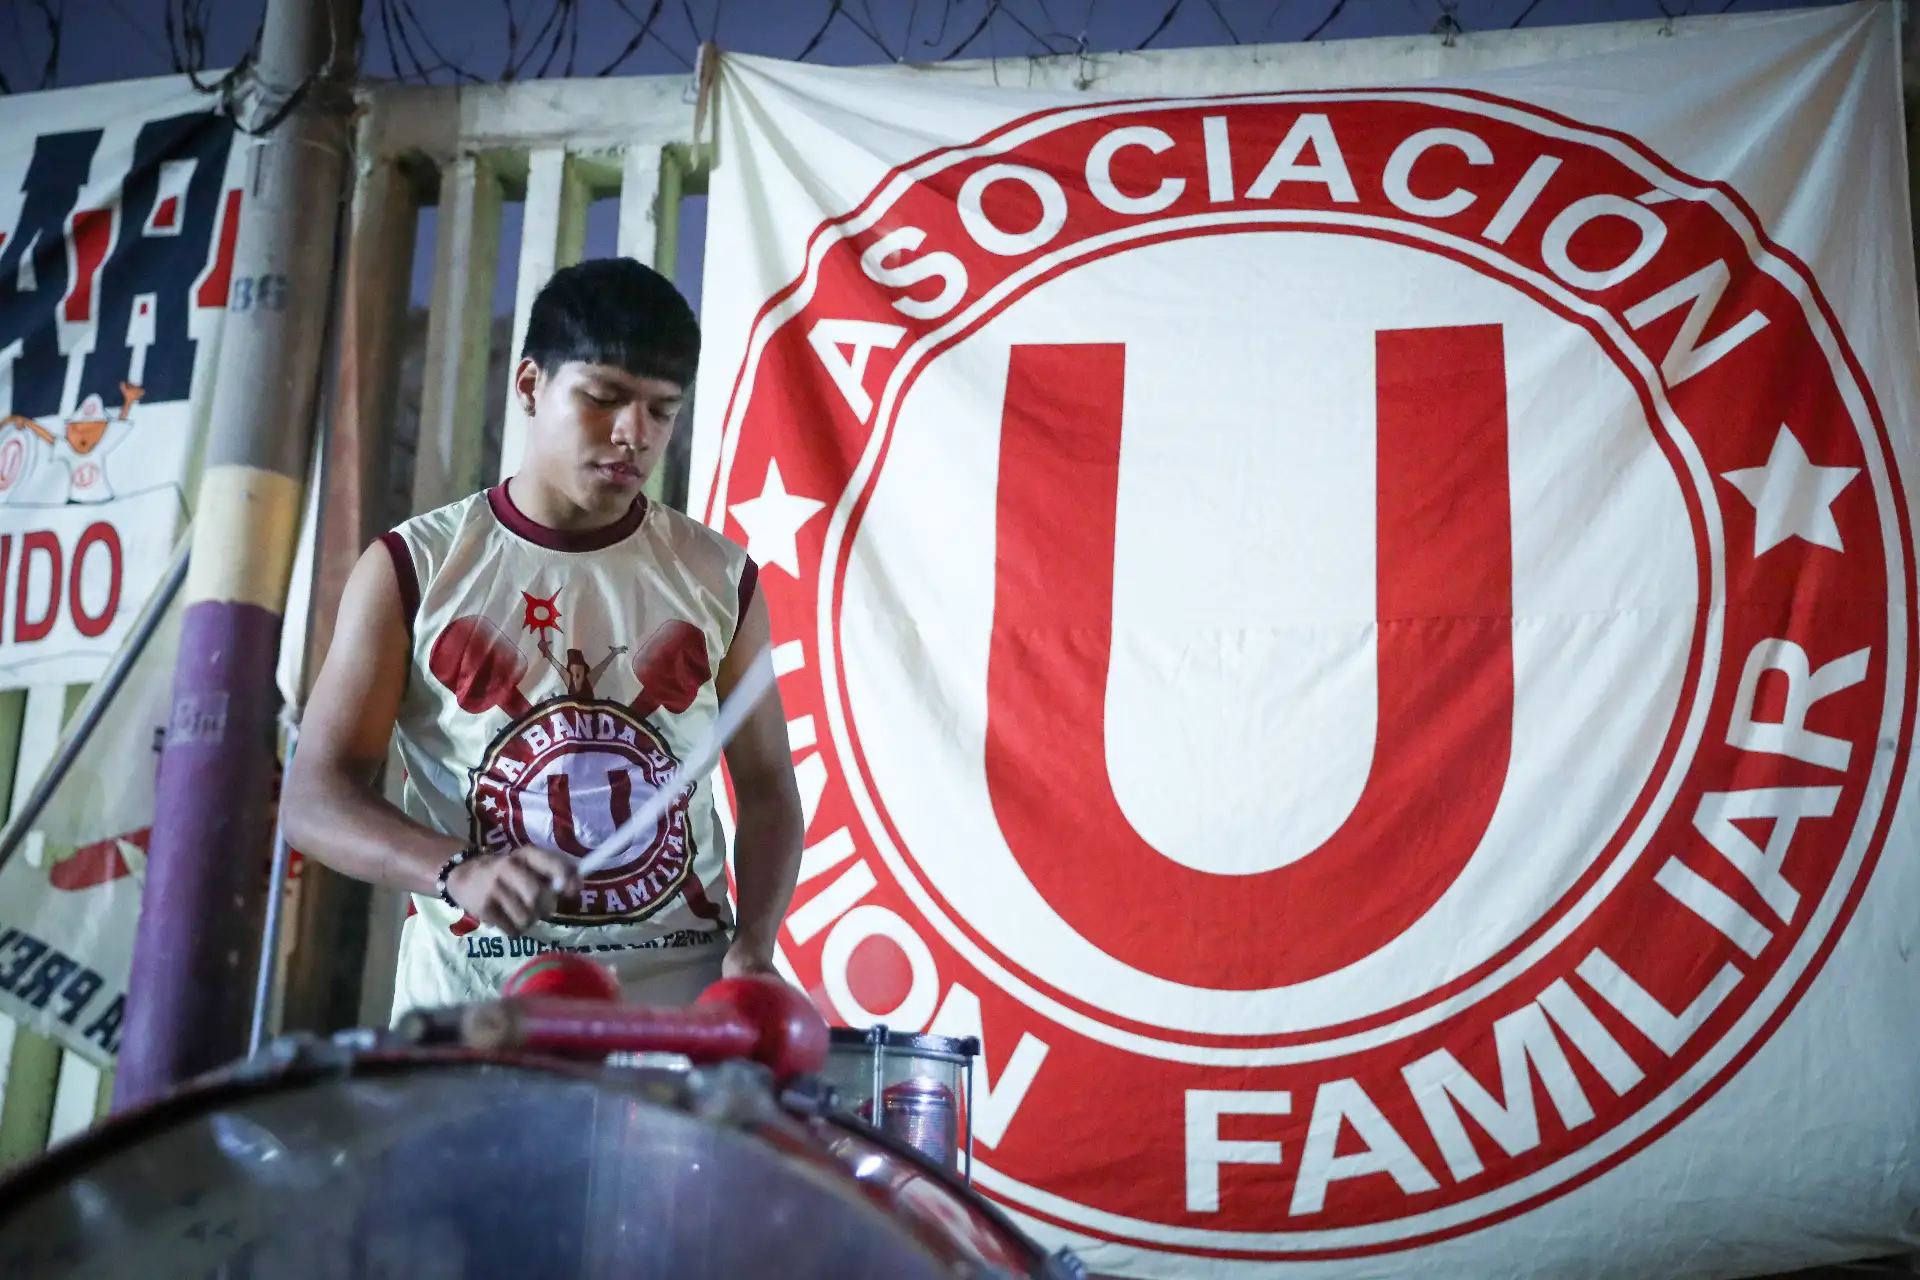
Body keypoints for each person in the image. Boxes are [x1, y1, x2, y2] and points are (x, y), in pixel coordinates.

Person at [283, 257, 804, 1017]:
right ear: (530, 386)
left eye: (662, 411)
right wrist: (455, 869)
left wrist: (754, 946)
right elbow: (315, 797)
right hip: (475, 1020)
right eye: (604, 398)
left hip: (673, 1022)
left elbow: (765, 789)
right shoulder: (415, 567)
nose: (634, 434)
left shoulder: (719, 576)